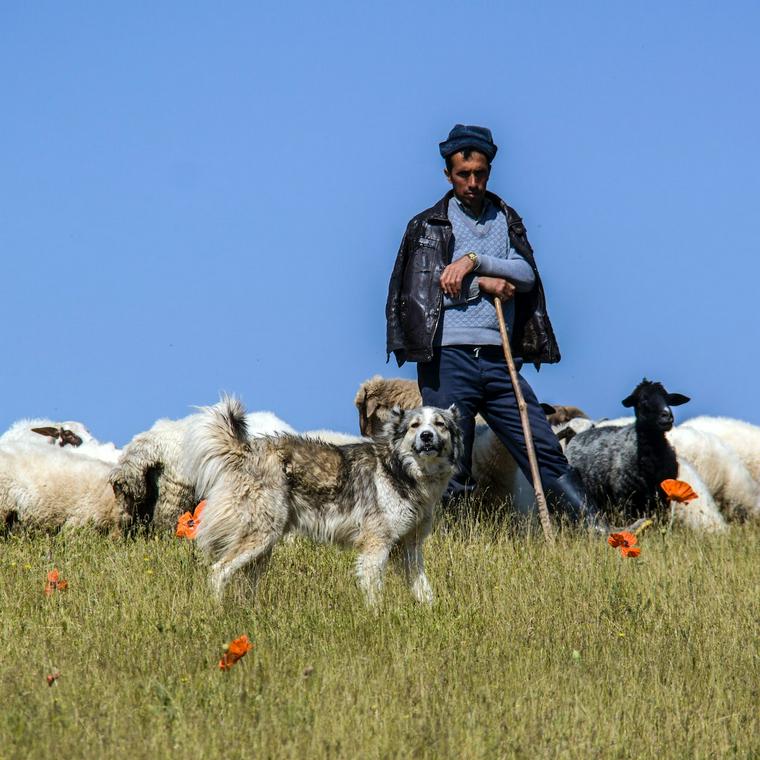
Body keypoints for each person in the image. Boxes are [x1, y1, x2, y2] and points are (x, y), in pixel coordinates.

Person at [385, 123, 609, 531]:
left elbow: (525, 273)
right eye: (462, 174)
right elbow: (423, 290)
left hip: (500, 361)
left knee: (542, 445)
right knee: (453, 455)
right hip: (448, 358)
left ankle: (596, 531)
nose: (472, 183)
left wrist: (474, 261)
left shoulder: (506, 218)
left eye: (480, 174)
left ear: (489, 171)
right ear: (447, 175)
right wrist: (481, 286)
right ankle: (453, 546)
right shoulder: (427, 226)